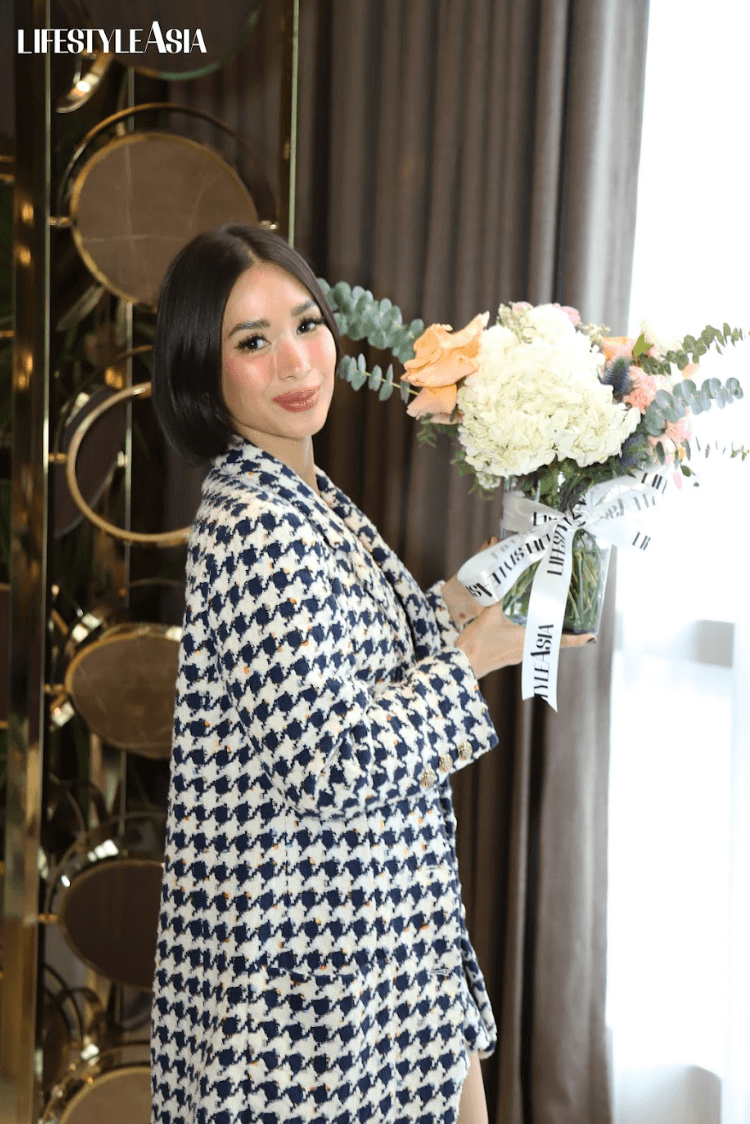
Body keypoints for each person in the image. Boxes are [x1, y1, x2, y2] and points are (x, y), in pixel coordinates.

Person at [150, 223, 589, 1124]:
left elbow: (365, 654)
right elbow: (335, 759)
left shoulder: (305, 493)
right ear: (204, 369)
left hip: (379, 965)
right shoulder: (256, 524)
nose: (296, 361)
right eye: (251, 341)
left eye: (306, 323)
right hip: (314, 1003)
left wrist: (480, 593)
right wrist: (475, 656)